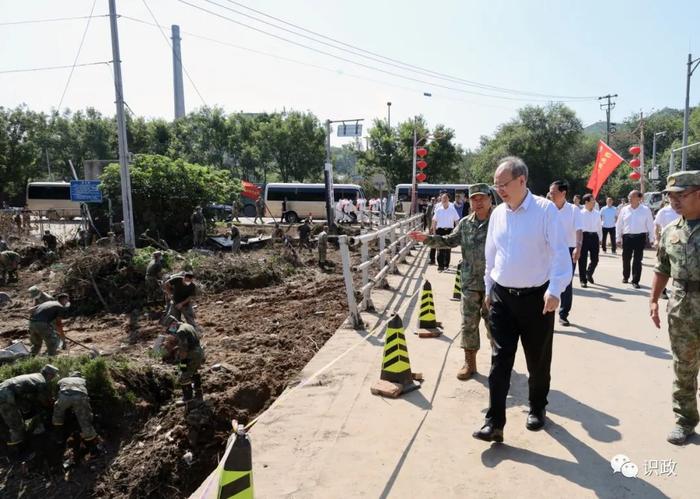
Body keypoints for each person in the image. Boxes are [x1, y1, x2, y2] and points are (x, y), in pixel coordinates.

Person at [473, 156, 569, 443]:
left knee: (537, 360)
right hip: (502, 297)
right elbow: (492, 254)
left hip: (536, 299)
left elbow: (560, 254)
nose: (499, 190)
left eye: (504, 184)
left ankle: (537, 407)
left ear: (522, 181)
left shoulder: (544, 210)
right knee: (500, 359)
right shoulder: (499, 214)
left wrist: (555, 290)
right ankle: (495, 422)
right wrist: (489, 288)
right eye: (496, 185)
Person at [410, 183, 493, 380]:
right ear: (468, 202)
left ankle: (500, 363)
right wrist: (426, 238)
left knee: (496, 326)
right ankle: (470, 363)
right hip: (470, 283)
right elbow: (448, 241)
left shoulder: (500, 221)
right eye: (474, 199)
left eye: (482, 198)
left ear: (490, 199)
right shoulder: (465, 223)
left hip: (494, 285)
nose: (478, 202)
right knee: (468, 324)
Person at [649, 170, 700, 445]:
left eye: (681, 194)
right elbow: (662, 268)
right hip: (681, 306)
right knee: (684, 366)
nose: (675, 200)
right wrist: (654, 300)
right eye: (671, 196)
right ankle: (685, 420)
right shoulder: (671, 231)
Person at [0, 364, 58, 450]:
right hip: (6, 397)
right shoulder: (41, 381)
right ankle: (16, 451)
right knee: (17, 426)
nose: (52, 378)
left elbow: (27, 396)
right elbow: (43, 400)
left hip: (4, 391)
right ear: (49, 374)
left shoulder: (35, 376)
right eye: (53, 376)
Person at [548, 180, 582, 327]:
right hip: (549, 250)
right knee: (547, 282)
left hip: (568, 249)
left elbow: (579, 230)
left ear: (563, 193)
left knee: (566, 283)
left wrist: (578, 247)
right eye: (550, 192)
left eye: (554, 193)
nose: (551, 195)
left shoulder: (574, 210)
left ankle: (563, 314)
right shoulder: (547, 208)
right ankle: (547, 313)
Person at [52, 371, 101, 454]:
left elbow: (56, 391)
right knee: (84, 421)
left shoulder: (63, 379)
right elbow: (88, 392)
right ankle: (93, 449)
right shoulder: (82, 380)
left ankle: (58, 435)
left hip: (64, 395)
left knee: (58, 411)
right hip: (80, 396)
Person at [616, 190, 655, 289]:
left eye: (632, 196)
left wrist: (652, 238)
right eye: (629, 196)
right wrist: (618, 238)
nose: (629, 198)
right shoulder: (624, 209)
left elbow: (650, 224)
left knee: (638, 260)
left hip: (640, 237)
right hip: (627, 236)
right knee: (626, 258)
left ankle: (635, 280)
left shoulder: (645, 210)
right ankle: (625, 276)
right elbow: (619, 224)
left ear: (639, 198)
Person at [169, 321, 205, 408]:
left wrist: (182, 362)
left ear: (174, 325)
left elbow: (184, 349)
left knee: (184, 376)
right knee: (194, 372)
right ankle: (199, 394)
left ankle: (188, 398)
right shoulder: (188, 325)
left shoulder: (180, 331)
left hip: (192, 355)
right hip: (199, 352)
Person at [431, 193, 460, 271]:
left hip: (450, 231)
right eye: (443, 198)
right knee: (440, 248)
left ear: (448, 200)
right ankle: (440, 266)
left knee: (447, 249)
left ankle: (446, 265)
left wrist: (457, 231)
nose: (444, 200)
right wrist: (434, 232)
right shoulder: (438, 210)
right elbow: (434, 221)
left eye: (445, 198)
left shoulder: (452, 210)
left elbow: (457, 221)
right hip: (440, 230)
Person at [578, 194, 602, 287]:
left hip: (594, 236)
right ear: (586, 202)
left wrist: (600, 238)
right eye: (592, 201)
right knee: (582, 260)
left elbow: (599, 227)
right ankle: (583, 280)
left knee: (595, 259)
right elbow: (578, 228)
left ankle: (589, 273)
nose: (594, 202)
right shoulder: (580, 213)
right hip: (584, 236)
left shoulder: (597, 213)